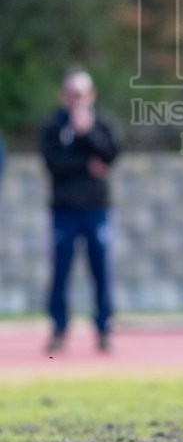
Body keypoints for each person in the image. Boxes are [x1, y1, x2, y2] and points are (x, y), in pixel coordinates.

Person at [40, 69, 121, 352]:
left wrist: (86, 134)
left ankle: (103, 329)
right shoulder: (53, 126)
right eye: (72, 94)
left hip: (96, 210)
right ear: (64, 96)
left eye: (82, 94)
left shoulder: (103, 123)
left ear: (92, 95)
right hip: (64, 211)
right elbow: (53, 164)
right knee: (60, 271)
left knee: (101, 271)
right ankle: (59, 328)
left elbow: (111, 154)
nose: (77, 100)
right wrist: (86, 165)